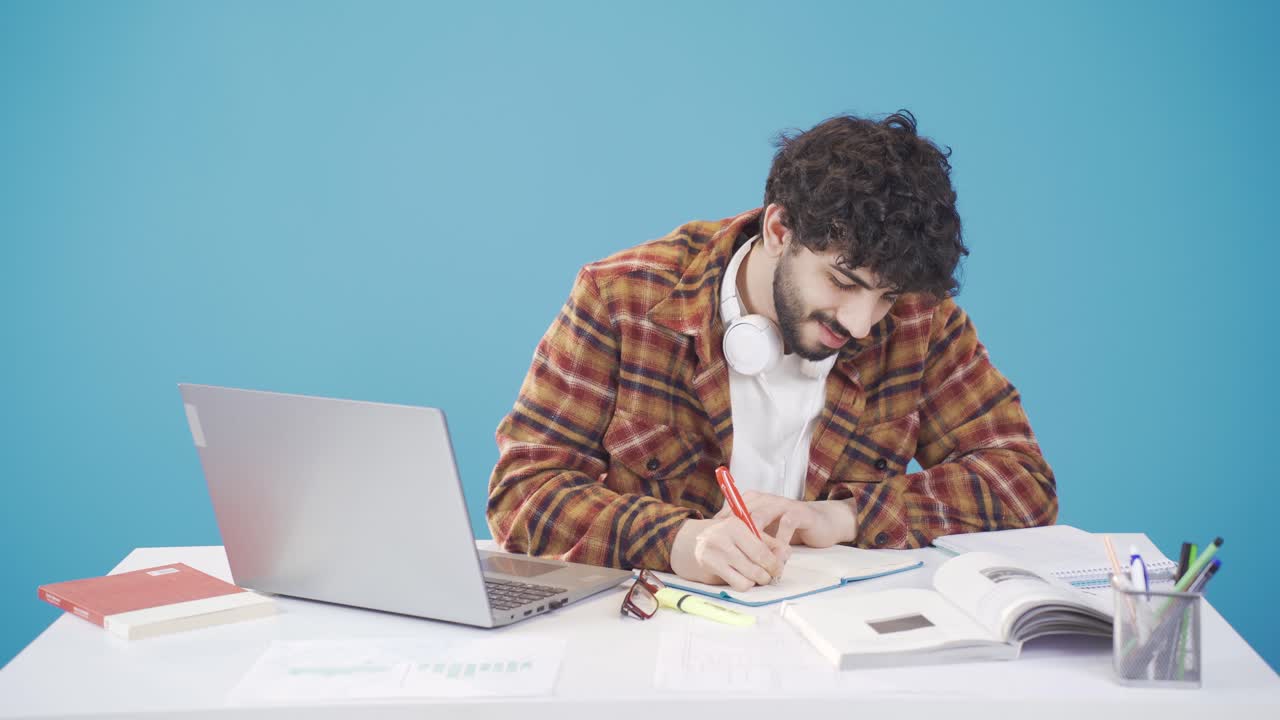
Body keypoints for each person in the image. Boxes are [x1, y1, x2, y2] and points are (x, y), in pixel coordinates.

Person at [486, 111, 1057, 592]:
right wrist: (677, 540)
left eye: (886, 297)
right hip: (659, 633)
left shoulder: (921, 321)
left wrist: (847, 516)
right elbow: (523, 493)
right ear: (780, 230)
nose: (861, 325)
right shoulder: (621, 298)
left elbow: (1022, 482)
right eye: (843, 281)